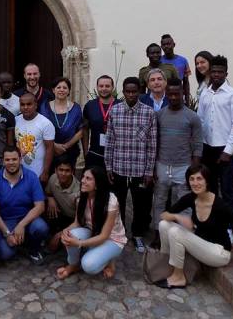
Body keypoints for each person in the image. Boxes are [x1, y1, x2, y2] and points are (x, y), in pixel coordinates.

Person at [158, 164, 233, 289]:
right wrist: (178, 217)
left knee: (175, 232)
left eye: (199, 179)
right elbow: (164, 215)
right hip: (201, 245)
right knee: (164, 225)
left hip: (217, 253)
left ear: (207, 181)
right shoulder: (191, 198)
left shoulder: (221, 206)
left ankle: (179, 278)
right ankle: (166, 265)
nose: (195, 183)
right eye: (192, 179)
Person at [104, 76, 157, 253]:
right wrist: (108, 167)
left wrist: (149, 171)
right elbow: (110, 141)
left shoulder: (149, 113)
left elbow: (152, 144)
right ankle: (120, 232)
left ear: (140, 92)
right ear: (123, 92)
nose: (131, 94)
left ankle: (138, 234)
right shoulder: (115, 111)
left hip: (139, 169)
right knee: (117, 203)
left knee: (140, 205)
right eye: (128, 91)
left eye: (135, 91)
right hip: (118, 167)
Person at [151, 78, 202, 247]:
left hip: (184, 166)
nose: (173, 97)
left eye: (176, 94)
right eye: (170, 94)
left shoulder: (192, 117)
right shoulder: (160, 115)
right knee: (159, 201)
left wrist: (194, 168)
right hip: (162, 165)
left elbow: (197, 143)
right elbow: (155, 141)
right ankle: (158, 234)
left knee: (184, 203)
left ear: (182, 94)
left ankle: (182, 237)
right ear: (166, 94)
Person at [56, 166, 127, 279]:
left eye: (88, 178)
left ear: (97, 184)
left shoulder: (111, 201)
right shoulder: (82, 196)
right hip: (93, 231)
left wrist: (79, 243)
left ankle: (109, 259)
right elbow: (77, 223)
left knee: (88, 265)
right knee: (70, 235)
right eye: (83, 177)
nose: (83, 180)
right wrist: (64, 231)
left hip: (112, 239)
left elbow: (104, 236)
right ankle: (73, 265)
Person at [197, 55, 233, 214]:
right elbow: (200, 120)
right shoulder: (205, 93)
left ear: (226, 74)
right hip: (207, 147)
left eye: (220, 72)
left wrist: (228, 151)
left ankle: (230, 225)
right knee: (210, 186)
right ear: (210, 72)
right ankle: (213, 220)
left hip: (225, 149)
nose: (216, 75)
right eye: (214, 71)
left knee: (227, 187)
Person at [0, 146, 49, 265]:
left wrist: (21, 225)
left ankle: (33, 249)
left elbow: (40, 206)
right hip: (6, 222)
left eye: (14, 159)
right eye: (7, 160)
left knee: (41, 227)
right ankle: (16, 242)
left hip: (27, 219)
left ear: (20, 159)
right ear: (3, 161)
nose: (11, 163)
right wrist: (6, 234)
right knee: (5, 254)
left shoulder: (31, 176)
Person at [40, 77, 83, 169]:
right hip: (48, 150)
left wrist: (66, 146)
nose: (61, 90)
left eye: (65, 88)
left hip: (70, 151)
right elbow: (40, 129)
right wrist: (54, 145)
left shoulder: (76, 108)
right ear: (53, 90)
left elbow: (81, 131)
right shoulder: (44, 107)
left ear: (68, 91)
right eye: (58, 87)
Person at [15, 92, 55, 183]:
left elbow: (50, 149)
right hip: (19, 172)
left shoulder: (45, 123)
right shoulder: (16, 120)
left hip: (38, 173)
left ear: (36, 105)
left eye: (29, 104)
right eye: (22, 104)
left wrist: (45, 171)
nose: (25, 107)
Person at [82, 75, 119, 170]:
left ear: (112, 87)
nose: (104, 89)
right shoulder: (90, 106)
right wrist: (86, 151)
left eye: (107, 86)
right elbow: (85, 129)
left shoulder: (120, 105)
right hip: (95, 154)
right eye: (101, 86)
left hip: (116, 155)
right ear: (97, 87)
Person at [45, 156, 80, 252]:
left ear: (72, 172)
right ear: (56, 170)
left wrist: (59, 235)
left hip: (74, 221)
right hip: (59, 214)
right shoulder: (53, 178)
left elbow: (80, 221)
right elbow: (48, 192)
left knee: (67, 244)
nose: (63, 174)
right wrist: (50, 198)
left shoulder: (78, 192)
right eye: (61, 170)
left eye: (67, 170)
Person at [160, 34, 192, 104]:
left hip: (177, 97)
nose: (166, 46)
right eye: (164, 44)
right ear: (161, 47)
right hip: (161, 98)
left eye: (168, 44)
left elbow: (186, 82)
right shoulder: (158, 61)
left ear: (173, 44)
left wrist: (187, 101)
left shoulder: (183, 60)